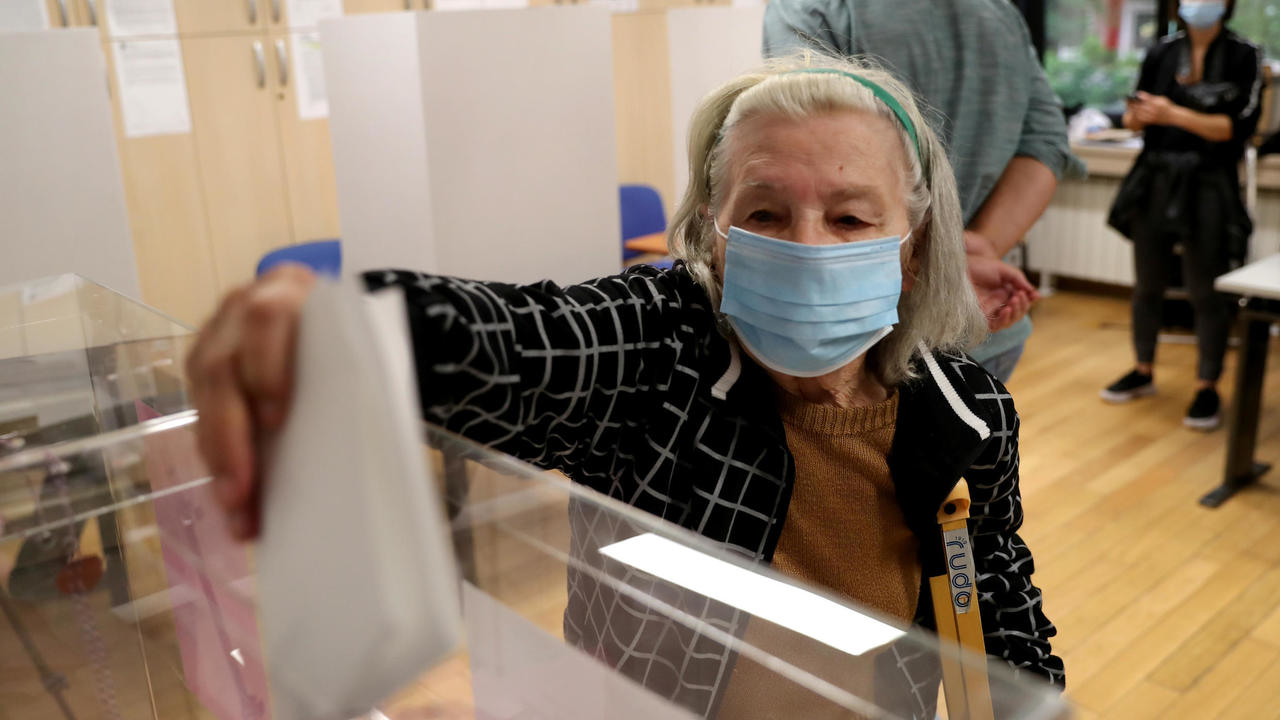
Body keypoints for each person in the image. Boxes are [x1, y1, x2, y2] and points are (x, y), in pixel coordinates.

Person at [187, 53, 1062, 717]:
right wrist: (349, 325)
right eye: (763, 212)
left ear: (910, 251)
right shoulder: (659, 349)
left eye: (849, 217)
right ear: (713, 238)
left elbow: (997, 598)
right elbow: (523, 341)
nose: (807, 245)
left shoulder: (966, 414)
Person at [762, 0, 1081, 384]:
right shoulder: (999, 13)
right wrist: (975, 247)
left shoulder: (812, 7)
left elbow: (812, 146)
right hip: (979, 326)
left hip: (864, 341)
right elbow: (1046, 141)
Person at [1103, 0, 1262, 431]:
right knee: (1147, 283)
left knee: (1205, 289)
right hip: (1155, 176)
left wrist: (1172, 113)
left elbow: (1234, 128)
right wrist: (1141, 115)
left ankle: (1207, 385)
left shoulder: (1244, 55)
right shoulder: (1160, 52)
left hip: (1209, 182)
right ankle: (1142, 369)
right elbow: (1136, 121)